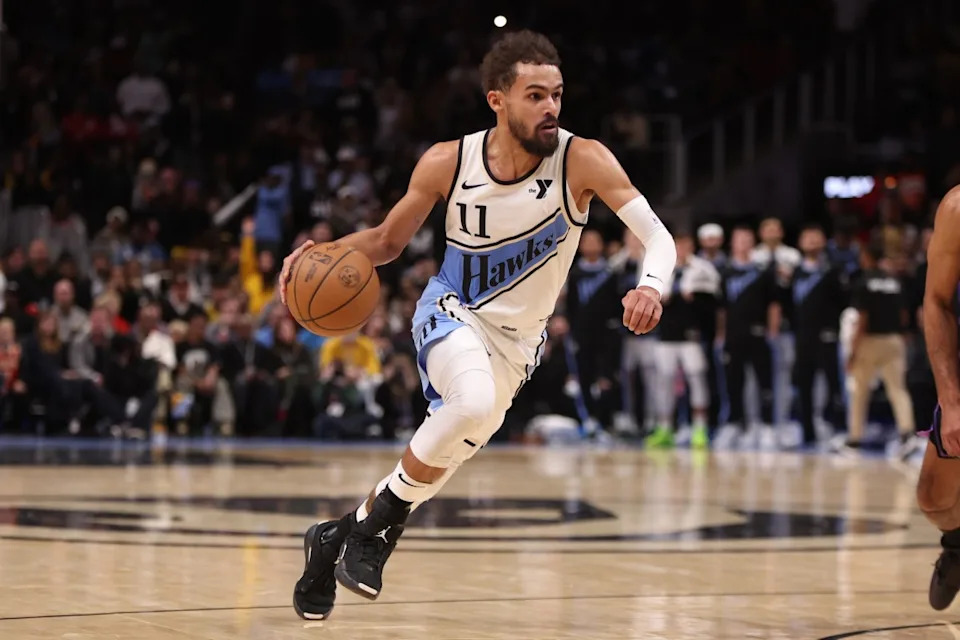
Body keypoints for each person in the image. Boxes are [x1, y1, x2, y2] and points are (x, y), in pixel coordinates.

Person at [281, 30, 676, 620]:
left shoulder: (582, 158)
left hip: (519, 345)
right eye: (535, 95)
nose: (551, 109)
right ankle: (372, 536)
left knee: (441, 458)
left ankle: (338, 536)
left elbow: (658, 237)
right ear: (497, 99)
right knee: (468, 404)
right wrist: (322, 249)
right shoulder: (448, 160)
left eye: (557, 95)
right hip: (450, 312)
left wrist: (651, 284)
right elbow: (387, 242)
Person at [913, 186, 960, 611]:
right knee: (934, 499)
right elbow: (937, 300)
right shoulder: (958, 207)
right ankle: (958, 545)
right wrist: (951, 399)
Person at [647, 232, 719, 449]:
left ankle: (699, 428)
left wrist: (695, 298)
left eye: (685, 245)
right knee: (664, 382)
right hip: (666, 334)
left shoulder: (703, 269)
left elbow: (714, 300)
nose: (681, 250)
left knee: (696, 380)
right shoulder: (661, 268)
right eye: (677, 245)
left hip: (691, 335)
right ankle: (665, 428)